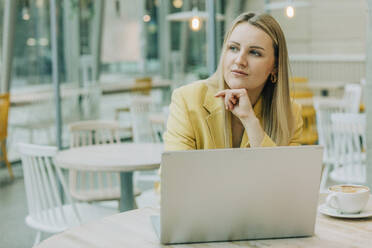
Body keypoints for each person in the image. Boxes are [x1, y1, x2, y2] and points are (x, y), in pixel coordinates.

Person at [164, 12, 303, 150]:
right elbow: (176, 170)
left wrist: (249, 120)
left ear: (275, 66)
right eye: (233, 48)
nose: (239, 60)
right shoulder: (188, 99)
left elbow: (283, 172)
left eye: (255, 53)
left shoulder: (290, 114)